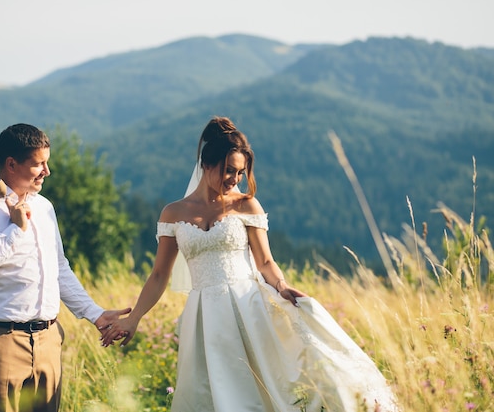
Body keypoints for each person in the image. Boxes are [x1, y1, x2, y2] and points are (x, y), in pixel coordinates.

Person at [100, 116, 400, 411]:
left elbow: (265, 260)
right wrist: (134, 317)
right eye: (228, 170)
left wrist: (282, 286)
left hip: (249, 307)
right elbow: (158, 275)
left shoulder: (247, 205)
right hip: (204, 316)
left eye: (240, 173)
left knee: (266, 386)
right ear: (206, 164)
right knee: (212, 390)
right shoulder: (173, 213)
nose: (234, 178)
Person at [0, 123, 131, 412]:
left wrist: (95, 314)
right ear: (11, 164)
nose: (47, 171)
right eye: (39, 164)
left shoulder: (44, 207)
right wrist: (15, 231)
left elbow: (59, 268)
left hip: (48, 341)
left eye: (47, 162)